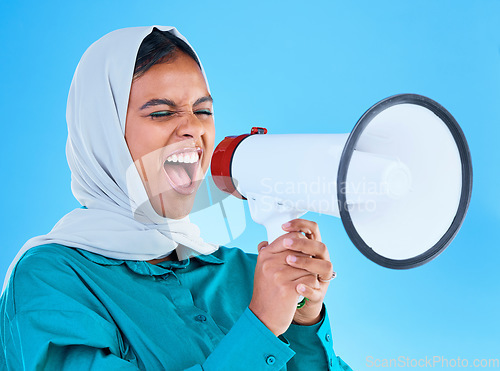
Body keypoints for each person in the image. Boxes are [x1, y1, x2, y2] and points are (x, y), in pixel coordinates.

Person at [0, 25, 353, 370]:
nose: (194, 128)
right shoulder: (51, 282)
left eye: (202, 111)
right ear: (104, 135)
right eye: (162, 113)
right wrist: (259, 326)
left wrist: (306, 323)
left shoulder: (248, 274)